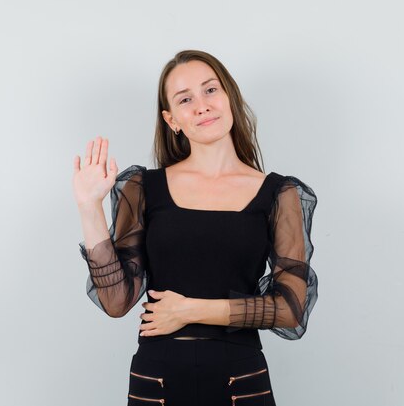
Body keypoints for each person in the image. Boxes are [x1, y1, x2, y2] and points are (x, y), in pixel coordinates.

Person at [72, 50, 318, 406]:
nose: (201, 105)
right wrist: (89, 207)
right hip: (156, 381)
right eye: (185, 99)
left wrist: (190, 310)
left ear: (229, 97)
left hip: (241, 380)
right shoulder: (143, 187)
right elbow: (116, 301)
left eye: (210, 90)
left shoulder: (281, 194)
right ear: (172, 120)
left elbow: (290, 309)